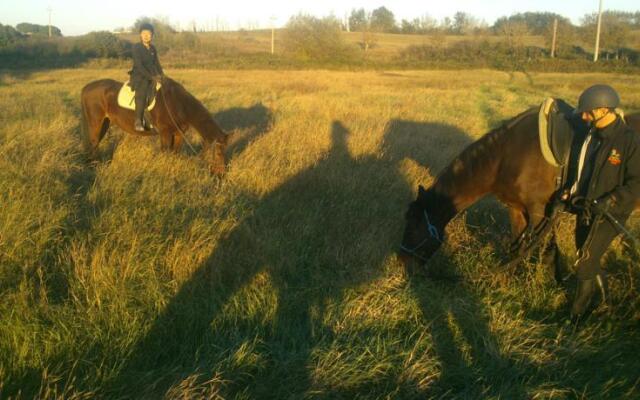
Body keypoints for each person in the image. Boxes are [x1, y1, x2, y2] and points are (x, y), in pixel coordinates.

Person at [567, 84, 640, 321]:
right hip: (588, 207)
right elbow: (583, 172)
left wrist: (612, 199)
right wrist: (569, 193)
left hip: (612, 212)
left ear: (604, 110)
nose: (584, 116)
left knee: (584, 261)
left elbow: (637, 182)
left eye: (588, 112)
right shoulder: (591, 136)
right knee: (585, 253)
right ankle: (605, 303)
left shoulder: (629, 141)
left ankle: (577, 317)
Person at [129, 23, 164, 131]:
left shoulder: (153, 48)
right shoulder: (136, 48)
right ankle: (138, 120)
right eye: (144, 33)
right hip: (140, 76)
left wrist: (162, 76)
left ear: (152, 35)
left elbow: (156, 64)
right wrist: (151, 77)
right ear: (140, 35)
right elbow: (139, 66)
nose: (146, 36)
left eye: (148, 34)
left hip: (152, 76)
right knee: (143, 90)